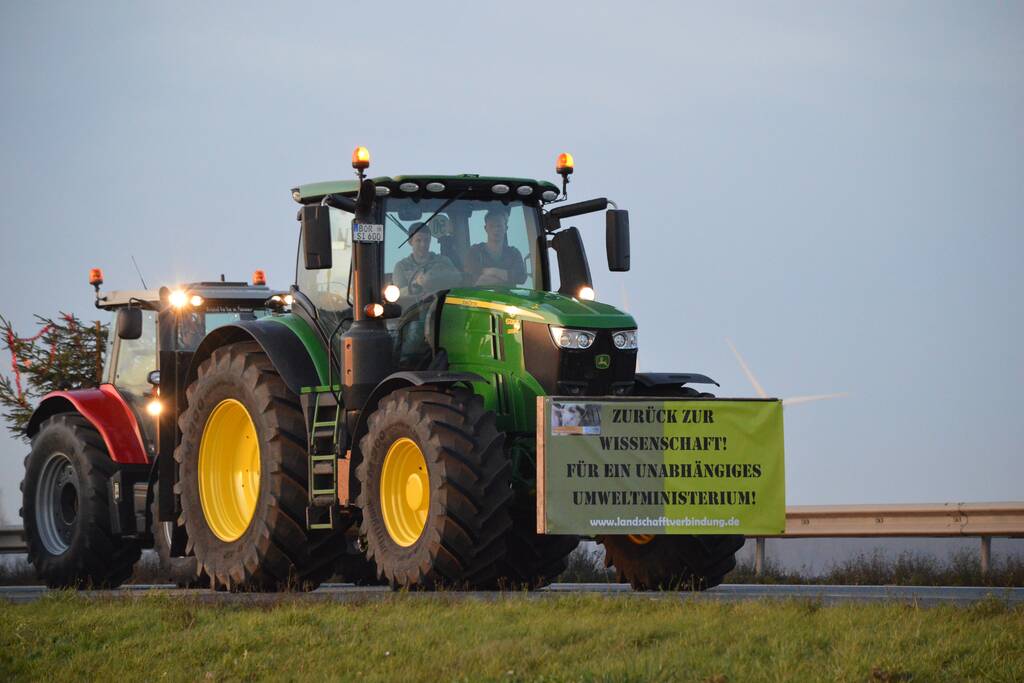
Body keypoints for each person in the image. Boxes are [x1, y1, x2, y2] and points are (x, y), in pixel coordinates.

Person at [393, 223, 461, 298]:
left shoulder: (443, 261)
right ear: (410, 242)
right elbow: (397, 293)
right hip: (412, 308)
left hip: (441, 305)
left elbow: (457, 278)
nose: (423, 244)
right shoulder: (401, 266)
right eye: (418, 240)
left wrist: (435, 278)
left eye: (426, 240)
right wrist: (416, 284)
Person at [465, 208, 527, 286]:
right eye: (491, 226)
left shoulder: (514, 253)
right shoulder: (475, 252)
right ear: (485, 228)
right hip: (480, 297)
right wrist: (507, 279)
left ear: (506, 228)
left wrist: (493, 271)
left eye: (499, 226)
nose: (495, 229)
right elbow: (470, 278)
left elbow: (521, 277)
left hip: (508, 297)